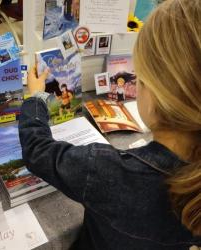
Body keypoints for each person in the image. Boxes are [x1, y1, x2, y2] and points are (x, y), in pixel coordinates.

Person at [19, 0, 201, 249]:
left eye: (140, 78)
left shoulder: (108, 171)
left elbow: (37, 151)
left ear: (155, 93)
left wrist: (36, 97)